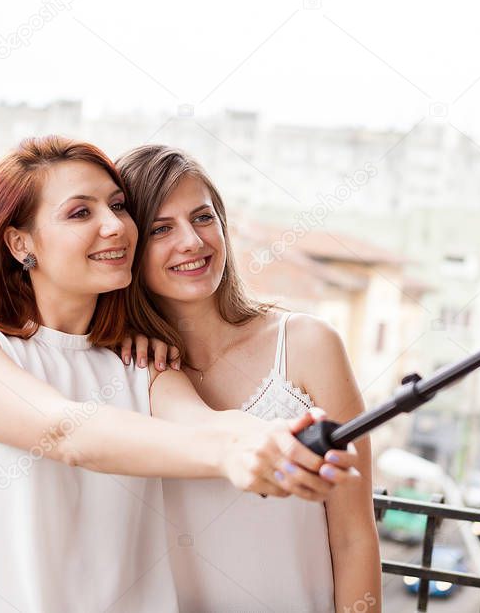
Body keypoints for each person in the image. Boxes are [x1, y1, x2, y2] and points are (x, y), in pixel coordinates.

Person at [0, 136, 359, 612]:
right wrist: (234, 453)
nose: (115, 226)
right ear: (21, 243)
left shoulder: (143, 365)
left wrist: (283, 441)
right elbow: (65, 430)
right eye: (80, 213)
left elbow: (208, 422)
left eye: (118, 206)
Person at [117, 145, 382, 613]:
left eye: (202, 217)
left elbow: (354, 536)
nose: (192, 242)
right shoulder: (123, 368)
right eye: (161, 228)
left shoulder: (307, 344)